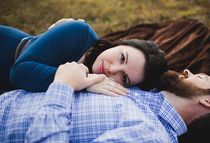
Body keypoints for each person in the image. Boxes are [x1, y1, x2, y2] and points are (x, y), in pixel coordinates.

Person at [0, 62, 210, 143]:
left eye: (200, 77)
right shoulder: (144, 94)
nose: (188, 71)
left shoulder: (154, 142)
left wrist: (63, 85)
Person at [0, 20, 167, 95]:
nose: (112, 69)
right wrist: (82, 82)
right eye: (122, 58)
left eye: (124, 78)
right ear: (119, 44)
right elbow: (20, 72)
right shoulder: (78, 31)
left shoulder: (102, 86)